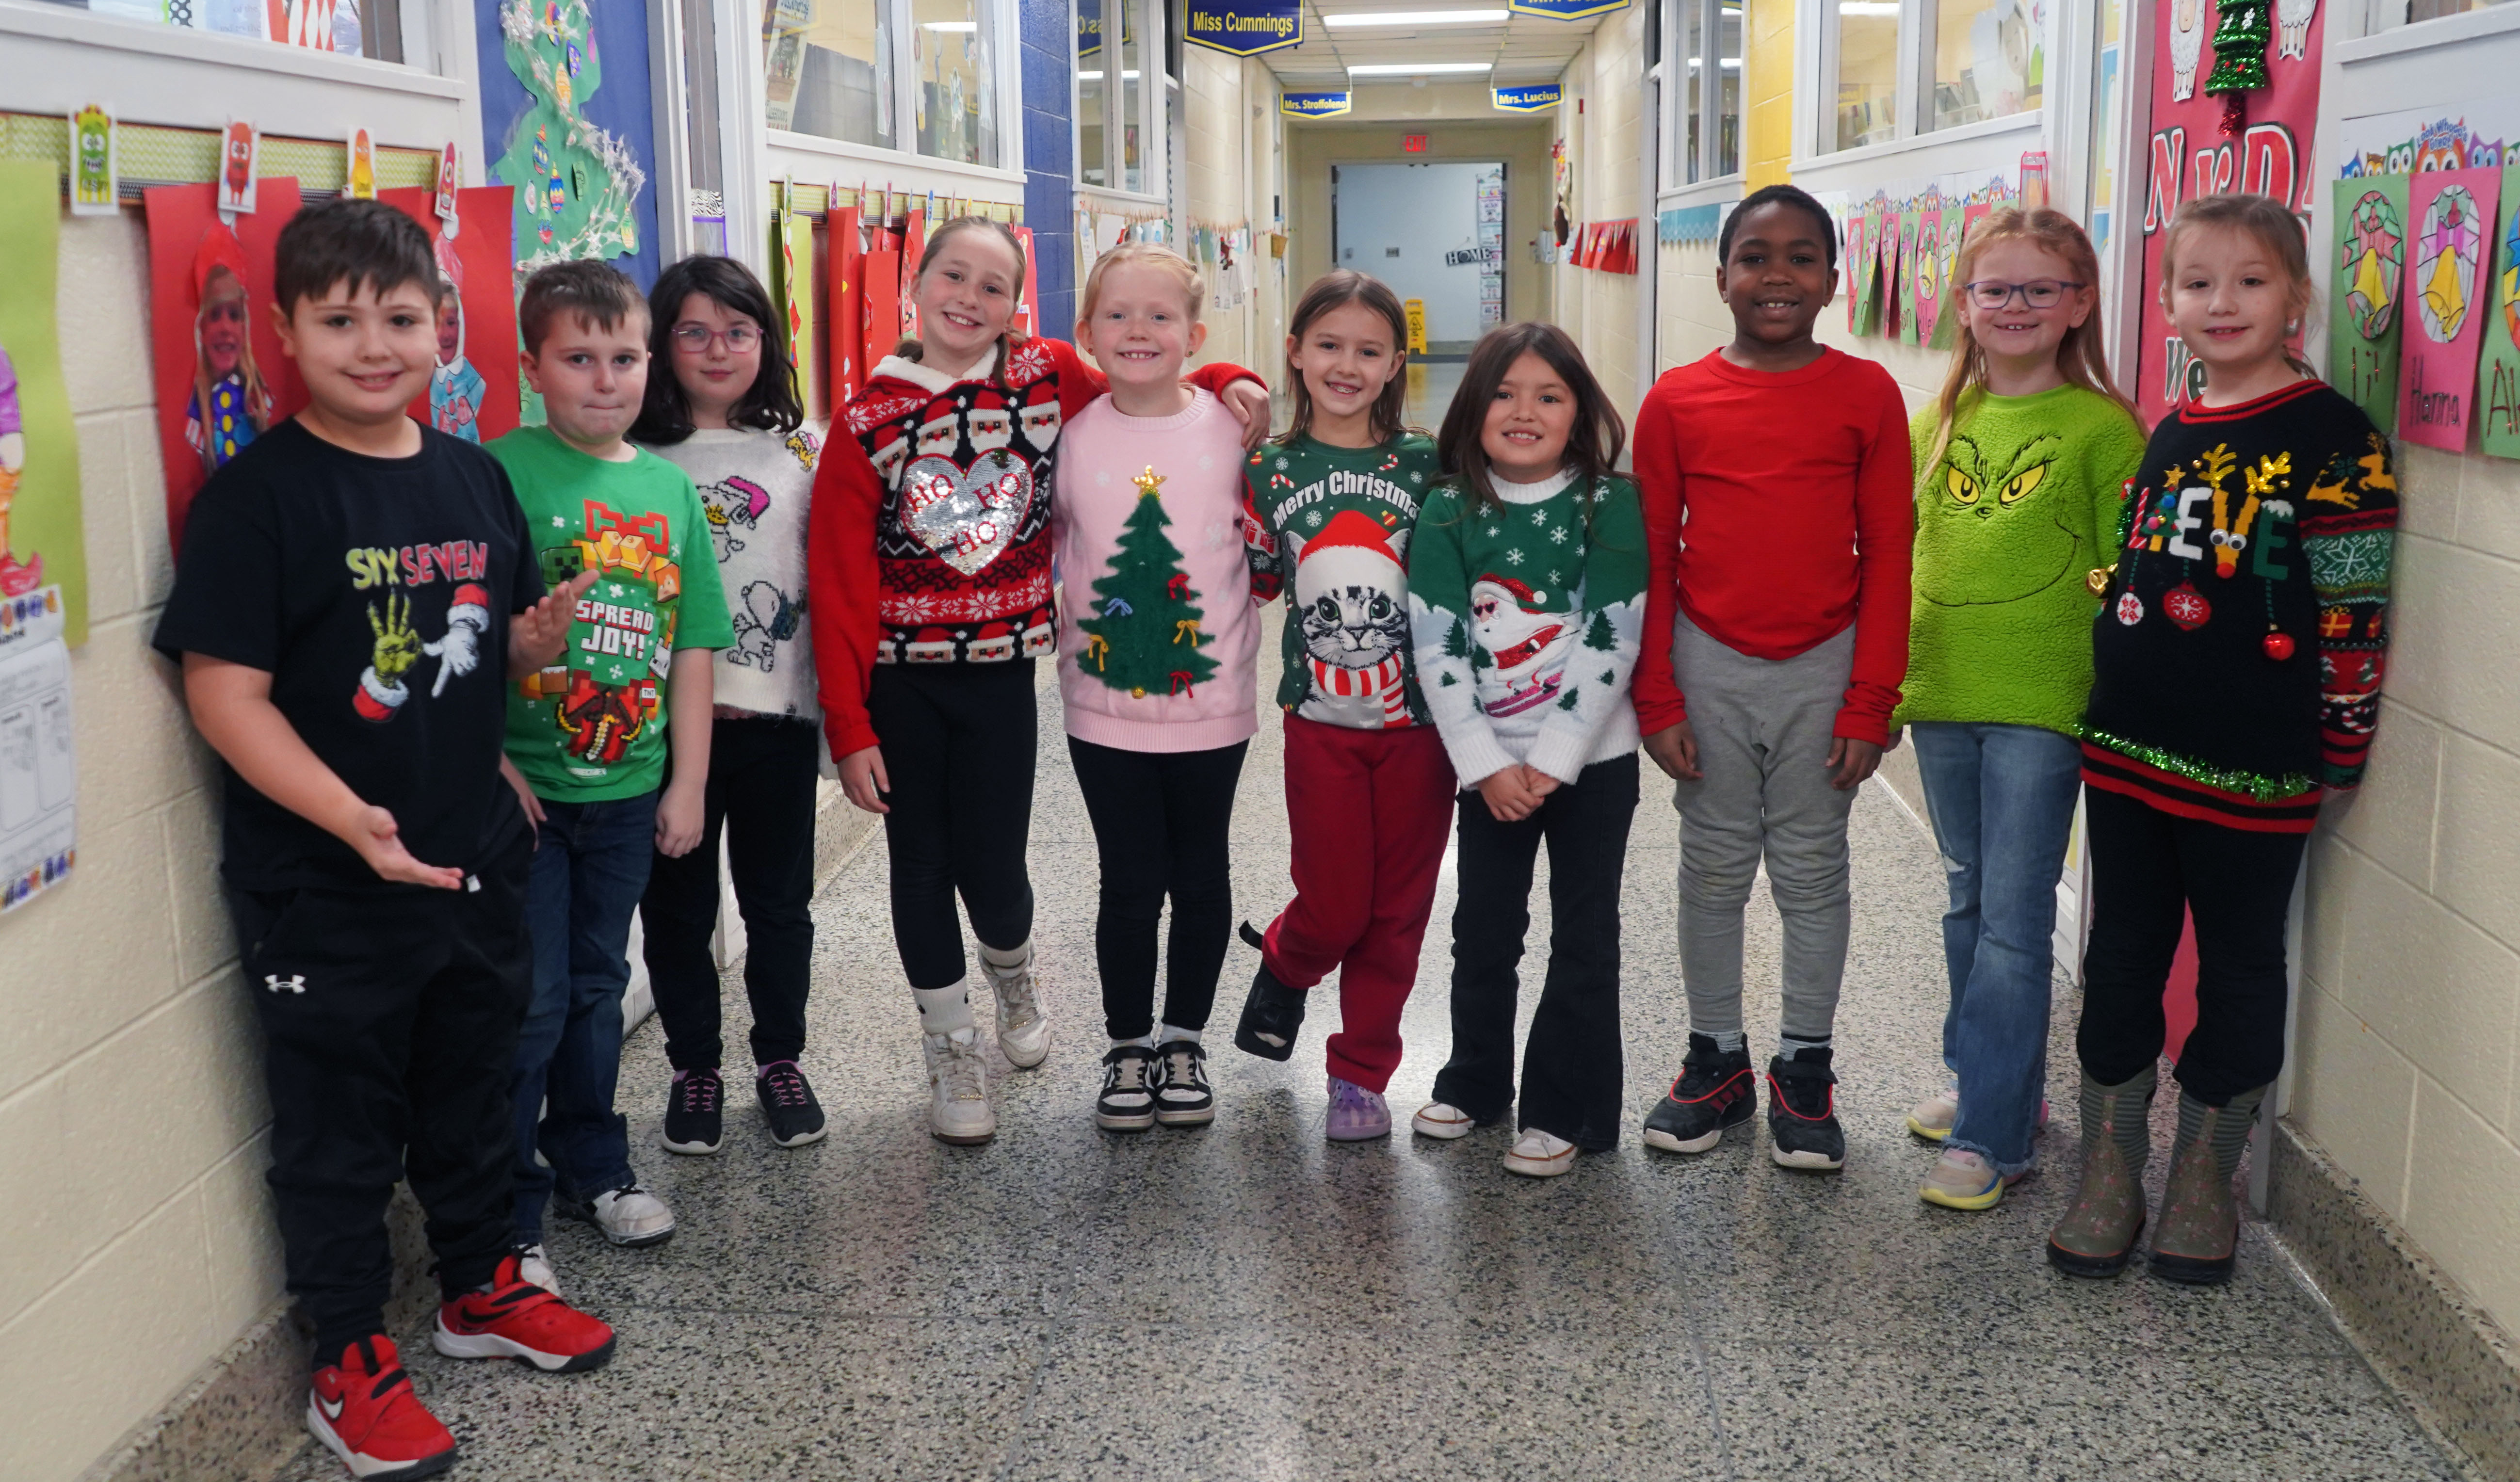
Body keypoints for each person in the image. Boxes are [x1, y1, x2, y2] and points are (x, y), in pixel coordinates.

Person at [153, 197, 613, 1482]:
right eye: (340, 319)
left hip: (469, 862)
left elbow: (488, 648)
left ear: (442, 329)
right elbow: (222, 693)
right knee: (336, 1127)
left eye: (400, 319)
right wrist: (349, 820)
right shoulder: (259, 502)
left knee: (475, 1089)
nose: (374, 344)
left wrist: (531, 652)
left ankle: (477, 1286)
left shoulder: (470, 473)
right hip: (327, 881)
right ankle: (348, 1357)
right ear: (289, 334)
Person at [807, 217, 1270, 1146]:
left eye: (991, 286)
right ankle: (952, 1051)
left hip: (1004, 682)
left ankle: (1025, 980)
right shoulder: (867, 422)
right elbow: (838, 579)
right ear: (914, 284)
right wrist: (847, 722)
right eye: (951, 276)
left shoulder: (1044, 375)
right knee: (921, 865)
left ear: (1018, 306)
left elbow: (1152, 377)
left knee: (998, 869)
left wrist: (1233, 380)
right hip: (903, 684)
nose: (967, 300)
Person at [2052, 193, 2397, 1284]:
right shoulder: (2171, 425)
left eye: (2251, 281)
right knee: (2120, 960)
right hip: (2126, 753)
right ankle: (2111, 1166)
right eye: (2199, 283)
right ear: (2166, 305)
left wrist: (2341, 743)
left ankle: (2205, 1174)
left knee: (2241, 968)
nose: (2223, 302)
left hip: (2258, 768)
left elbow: (2353, 612)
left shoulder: (2338, 440)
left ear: (2297, 298)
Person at [1630, 184, 1914, 1173]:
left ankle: (1805, 1065)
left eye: (1801, 257)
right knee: (1711, 866)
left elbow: (1890, 551)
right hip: (1706, 662)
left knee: (1809, 867)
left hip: (1824, 667)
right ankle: (1715, 1058)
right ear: (1721, 278)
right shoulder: (1674, 400)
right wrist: (1658, 696)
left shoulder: (1869, 395)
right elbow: (1653, 559)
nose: (1777, 274)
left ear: (1835, 280)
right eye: (1755, 256)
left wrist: (1871, 697)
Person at [1895, 208, 2148, 1211]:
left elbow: (2119, 575)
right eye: (1995, 289)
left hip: (2044, 704)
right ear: (1963, 304)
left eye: (2040, 289)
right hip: (1943, 691)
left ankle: (1995, 1135)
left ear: (2078, 304)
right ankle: (1993, 1081)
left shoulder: (2101, 428)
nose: (2015, 306)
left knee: (2012, 919)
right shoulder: (1939, 422)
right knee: (1967, 895)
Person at [494, 260, 733, 1281]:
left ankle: (592, 1162)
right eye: (578, 358)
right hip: (526, 798)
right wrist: (486, 757)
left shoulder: (668, 486)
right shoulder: (496, 472)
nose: (605, 379)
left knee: (597, 986)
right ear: (531, 365)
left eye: (625, 358)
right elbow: (465, 637)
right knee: (533, 995)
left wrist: (686, 783)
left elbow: (692, 648)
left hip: (630, 792)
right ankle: (508, 1207)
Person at [1404, 322, 1646, 1176]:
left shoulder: (1610, 503)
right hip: (1489, 771)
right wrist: (1486, 766)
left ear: (1579, 412)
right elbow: (1435, 644)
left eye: (1549, 396)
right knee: (1483, 929)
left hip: (1594, 763)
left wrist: (1554, 760)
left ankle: (1562, 1106)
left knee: (1585, 936)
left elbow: (1613, 636)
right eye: (1505, 393)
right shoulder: (1448, 507)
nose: (1524, 411)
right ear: (1473, 408)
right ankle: (1475, 1082)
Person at [1232, 270, 1454, 1144]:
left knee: (1396, 913)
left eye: (1369, 351)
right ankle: (1287, 959)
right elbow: (1250, 580)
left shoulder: (1428, 462)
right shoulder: (1268, 466)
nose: (1347, 365)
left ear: (1398, 362)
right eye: (1328, 345)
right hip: (1318, 726)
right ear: (1294, 352)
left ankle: (1361, 1073)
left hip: (1422, 730)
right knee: (1334, 905)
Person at [1052, 245, 1264, 1132]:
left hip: (1213, 705)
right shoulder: (1066, 435)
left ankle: (1185, 1037)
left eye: (1160, 317)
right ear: (1085, 333)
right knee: (1128, 879)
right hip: (1101, 709)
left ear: (1196, 336)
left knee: (1202, 871)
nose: (1139, 331)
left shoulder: (1230, 428)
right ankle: (1128, 1044)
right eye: (1118, 316)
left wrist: (1238, 383)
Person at [630, 255, 830, 1157]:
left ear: (767, 342)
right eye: (695, 332)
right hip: (667, 734)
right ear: (662, 341)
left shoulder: (803, 448)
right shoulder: (632, 452)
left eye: (739, 332)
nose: (718, 350)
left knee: (780, 905)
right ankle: (693, 1068)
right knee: (677, 909)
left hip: (775, 724)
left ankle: (780, 1058)